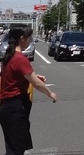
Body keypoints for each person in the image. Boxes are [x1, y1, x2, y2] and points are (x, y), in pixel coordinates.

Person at [0, 25, 57, 155]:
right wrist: (50, 93)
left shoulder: (9, 56)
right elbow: (36, 84)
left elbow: (14, 76)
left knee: (13, 147)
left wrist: (34, 77)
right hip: (15, 107)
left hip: (7, 107)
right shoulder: (20, 59)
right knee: (16, 149)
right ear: (22, 39)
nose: (30, 40)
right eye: (29, 37)